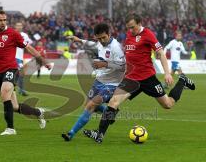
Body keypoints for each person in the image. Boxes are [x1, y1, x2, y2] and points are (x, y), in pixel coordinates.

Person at [84, 13, 195, 143]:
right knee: (113, 102)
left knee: (168, 104)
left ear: (139, 23)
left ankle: (182, 81)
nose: (130, 30)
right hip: (131, 79)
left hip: (148, 78)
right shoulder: (129, 35)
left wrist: (167, 73)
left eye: (133, 27)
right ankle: (100, 134)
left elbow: (161, 54)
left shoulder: (148, 35)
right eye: (128, 28)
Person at [0, 10, 50, 135]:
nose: (3, 22)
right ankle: (38, 113)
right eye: (0, 20)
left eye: (4, 20)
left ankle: (10, 128)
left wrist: (43, 61)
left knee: (5, 91)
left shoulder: (13, 34)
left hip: (11, 68)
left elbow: (29, 48)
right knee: (14, 106)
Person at [61, 23, 125, 141]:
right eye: (98, 38)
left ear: (109, 34)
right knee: (88, 105)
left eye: (103, 38)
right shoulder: (99, 43)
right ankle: (110, 112)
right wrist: (78, 39)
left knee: (91, 105)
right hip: (99, 80)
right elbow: (92, 44)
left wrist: (104, 64)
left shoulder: (116, 47)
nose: (101, 41)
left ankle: (71, 133)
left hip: (112, 83)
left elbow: (122, 66)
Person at [15, 22, 32, 96]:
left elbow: (28, 44)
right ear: (15, 26)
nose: (19, 27)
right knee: (21, 73)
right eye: (18, 25)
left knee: (18, 74)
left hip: (20, 57)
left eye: (20, 26)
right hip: (14, 57)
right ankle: (22, 90)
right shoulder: (12, 34)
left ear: (22, 27)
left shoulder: (24, 35)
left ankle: (16, 88)